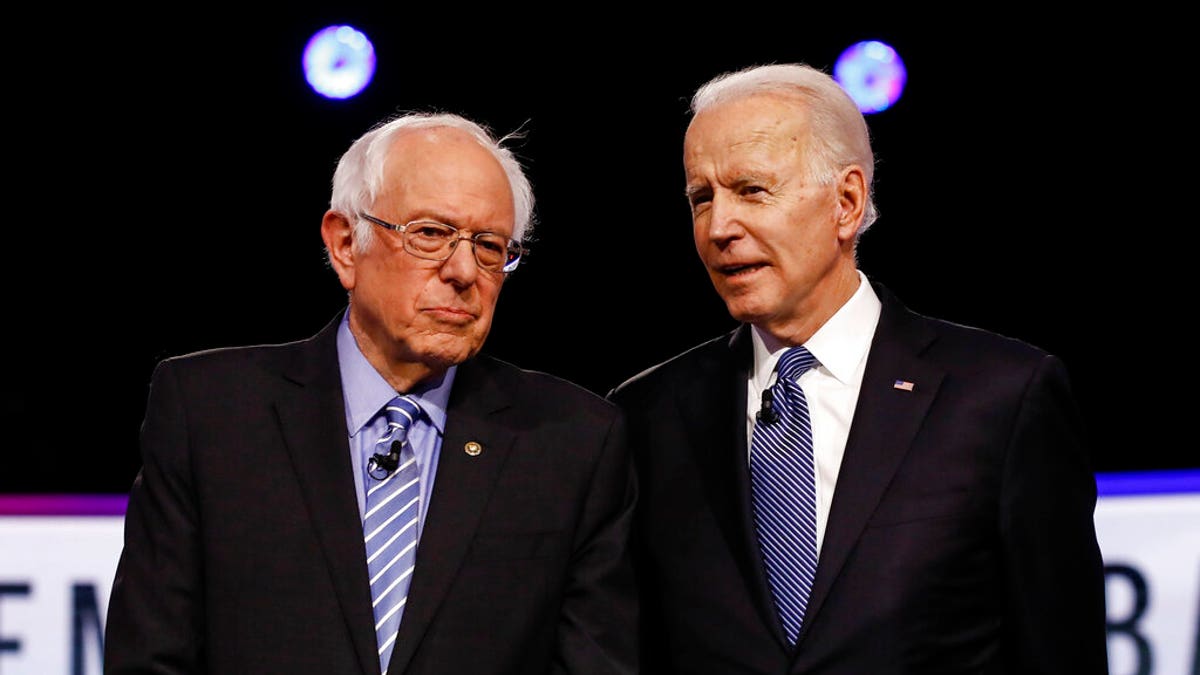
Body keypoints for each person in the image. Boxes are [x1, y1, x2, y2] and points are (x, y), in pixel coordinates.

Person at [607, 63, 1108, 674]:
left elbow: (1062, 651)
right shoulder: (645, 415)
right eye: (700, 198)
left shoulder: (1002, 398)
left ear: (846, 202)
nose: (719, 228)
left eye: (752, 190)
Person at [105, 111, 637, 674]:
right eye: (431, 234)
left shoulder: (574, 441)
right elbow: (149, 659)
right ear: (344, 245)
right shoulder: (210, 412)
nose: (463, 270)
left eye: (489, 246)